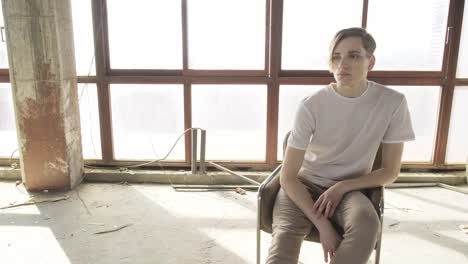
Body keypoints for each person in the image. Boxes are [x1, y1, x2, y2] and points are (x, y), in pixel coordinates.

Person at [265, 27, 415, 264]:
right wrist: (323, 226)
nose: (342, 64)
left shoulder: (393, 103)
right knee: (283, 240)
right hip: (303, 187)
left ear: (371, 61)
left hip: (351, 190)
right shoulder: (311, 105)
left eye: (353, 56)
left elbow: (390, 171)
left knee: (367, 224)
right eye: (336, 56)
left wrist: (343, 186)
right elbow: (288, 177)